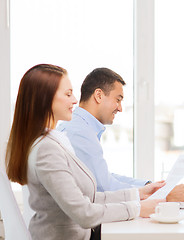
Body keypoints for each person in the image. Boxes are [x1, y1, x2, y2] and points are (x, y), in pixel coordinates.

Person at [5, 64, 163, 240]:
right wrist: (138, 208)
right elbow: (84, 212)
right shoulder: (46, 149)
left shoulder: (56, 140)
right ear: (45, 98)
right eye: (67, 94)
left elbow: (90, 197)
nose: (74, 100)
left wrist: (140, 193)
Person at [57, 68, 184, 202]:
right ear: (98, 95)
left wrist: (148, 186)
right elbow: (104, 187)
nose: (120, 108)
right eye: (118, 99)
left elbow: (104, 177)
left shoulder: (81, 127)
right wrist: (161, 195)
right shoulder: (79, 132)